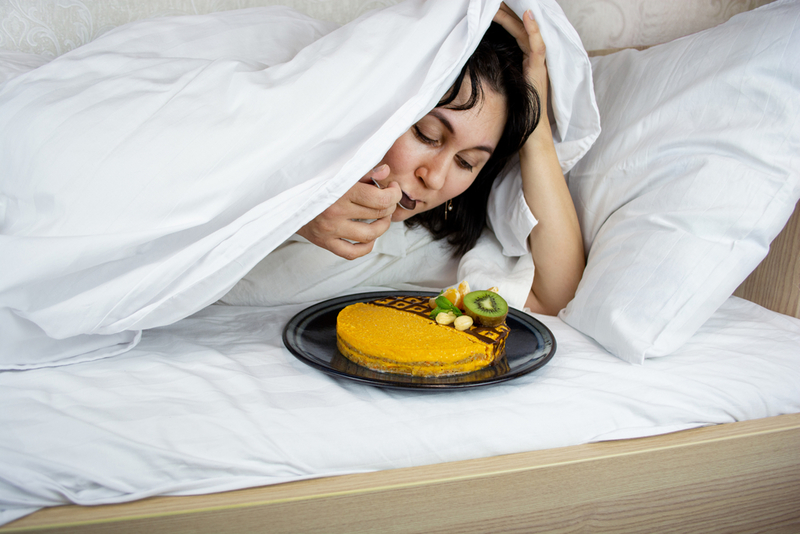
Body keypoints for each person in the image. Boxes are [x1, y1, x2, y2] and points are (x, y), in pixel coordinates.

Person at [289, 5, 584, 316]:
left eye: (466, 162)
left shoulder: (438, 244)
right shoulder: (297, 146)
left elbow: (557, 295)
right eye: (427, 135)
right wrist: (298, 217)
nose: (435, 178)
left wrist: (534, 130)